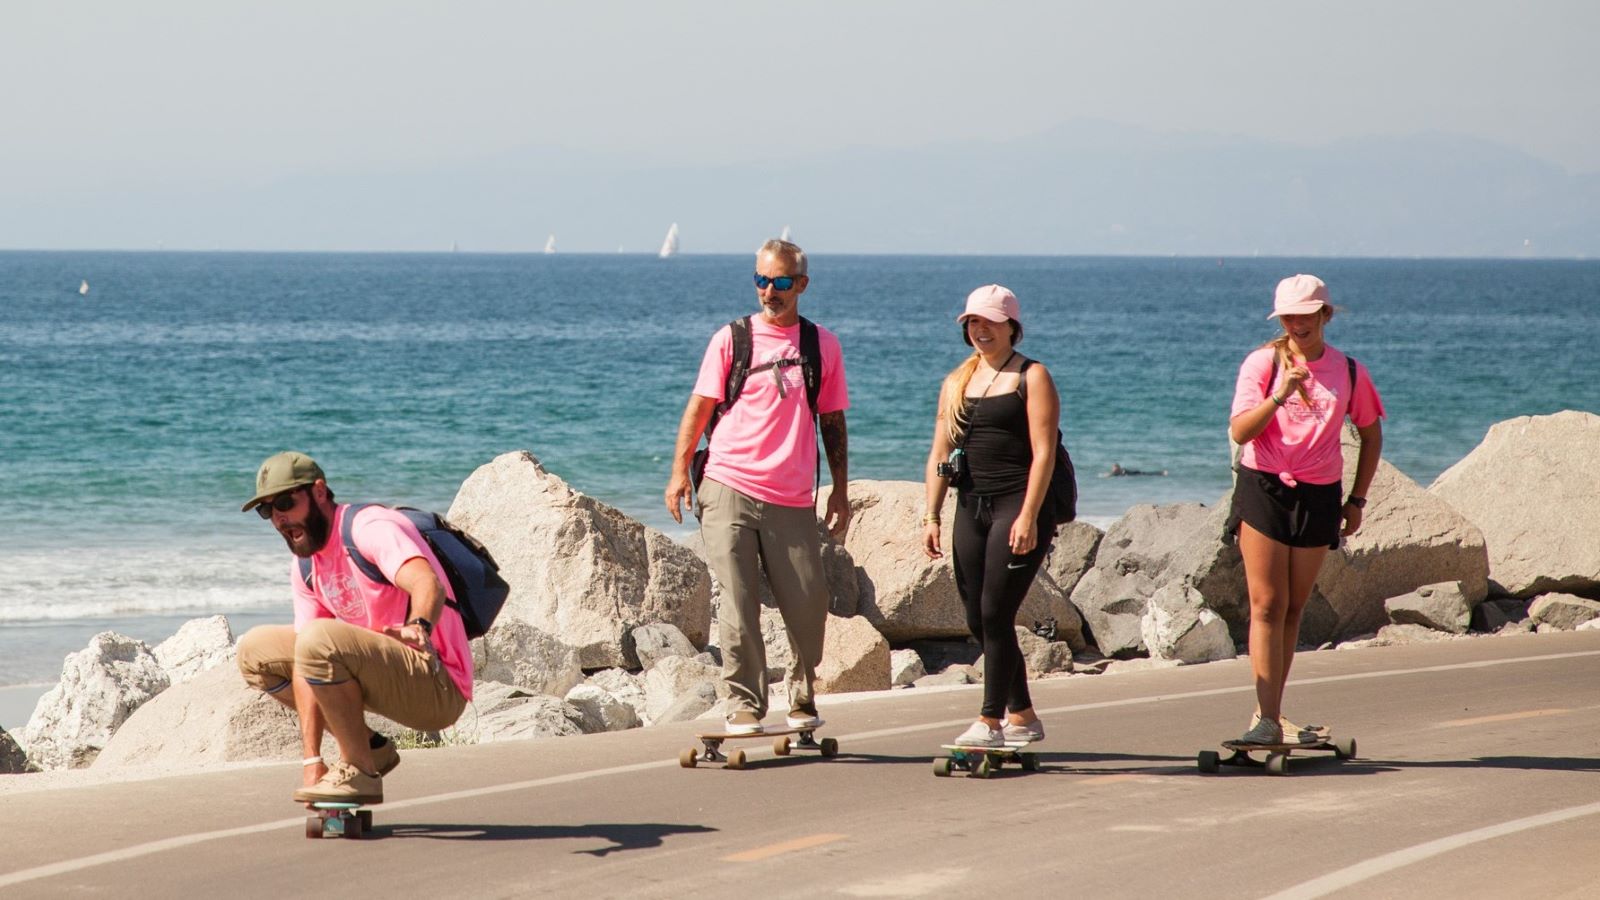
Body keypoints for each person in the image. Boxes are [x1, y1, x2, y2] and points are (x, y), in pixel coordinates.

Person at [664, 238, 851, 735]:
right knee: (738, 600)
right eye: (762, 280)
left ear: (802, 285)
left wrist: (840, 489)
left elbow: (831, 421)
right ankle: (744, 703)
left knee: (808, 602)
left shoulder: (821, 345)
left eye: (782, 282)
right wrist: (680, 470)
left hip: (791, 496)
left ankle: (802, 695)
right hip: (728, 484)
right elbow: (700, 406)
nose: (770, 290)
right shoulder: (731, 339)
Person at [235, 451, 473, 804]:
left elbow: (427, 583)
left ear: (318, 492)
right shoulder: (306, 565)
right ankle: (370, 749)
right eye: (267, 510)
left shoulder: (369, 528)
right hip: (377, 672)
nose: (280, 518)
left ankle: (360, 771)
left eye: (285, 502)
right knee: (255, 652)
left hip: (435, 682)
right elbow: (304, 661)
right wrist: (311, 761)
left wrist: (418, 626)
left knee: (318, 639)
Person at [1228, 274, 1384, 744]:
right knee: (1267, 605)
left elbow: (1371, 434)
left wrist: (1357, 499)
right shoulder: (1262, 364)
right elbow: (1240, 432)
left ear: (1325, 315)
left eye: (1306, 314)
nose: (1297, 323)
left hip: (1319, 494)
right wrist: (1280, 393)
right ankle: (1269, 720)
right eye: (1288, 316)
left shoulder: (1348, 371)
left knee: (1293, 609)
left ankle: (1269, 713)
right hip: (1265, 487)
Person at [921, 285, 1059, 748]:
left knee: (996, 613)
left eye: (990, 322)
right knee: (978, 619)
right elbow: (941, 453)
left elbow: (1044, 455)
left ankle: (990, 720)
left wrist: (1029, 515)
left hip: (1015, 506)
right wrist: (931, 516)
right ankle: (1023, 713)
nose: (980, 330)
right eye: (972, 323)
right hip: (970, 506)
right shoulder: (957, 381)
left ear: (1011, 327)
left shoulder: (1031, 376)